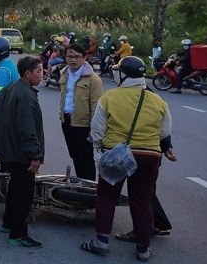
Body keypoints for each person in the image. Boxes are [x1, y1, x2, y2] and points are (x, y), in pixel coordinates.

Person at [81, 57, 173, 262]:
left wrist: (98, 151)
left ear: (122, 74)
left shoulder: (110, 97)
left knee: (106, 196)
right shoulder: (158, 100)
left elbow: (97, 131)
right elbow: (165, 132)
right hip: (149, 156)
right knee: (143, 202)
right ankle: (143, 249)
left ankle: (101, 242)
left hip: (116, 155)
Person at [0, 55, 45, 248]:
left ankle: (8, 222)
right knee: (24, 194)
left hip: (9, 150)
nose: (42, 75)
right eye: (38, 71)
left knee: (14, 188)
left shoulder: (14, 87)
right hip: (21, 154)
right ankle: (18, 234)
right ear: (28, 74)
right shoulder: (26, 94)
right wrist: (35, 156)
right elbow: (27, 130)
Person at [58, 43, 103, 180]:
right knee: (75, 155)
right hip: (67, 121)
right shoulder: (64, 73)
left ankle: (88, 188)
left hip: (83, 125)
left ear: (84, 58)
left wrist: (94, 128)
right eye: (70, 56)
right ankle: (80, 183)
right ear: (65, 57)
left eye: (77, 57)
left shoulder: (93, 79)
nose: (73, 60)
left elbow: (96, 105)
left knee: (86, 158)